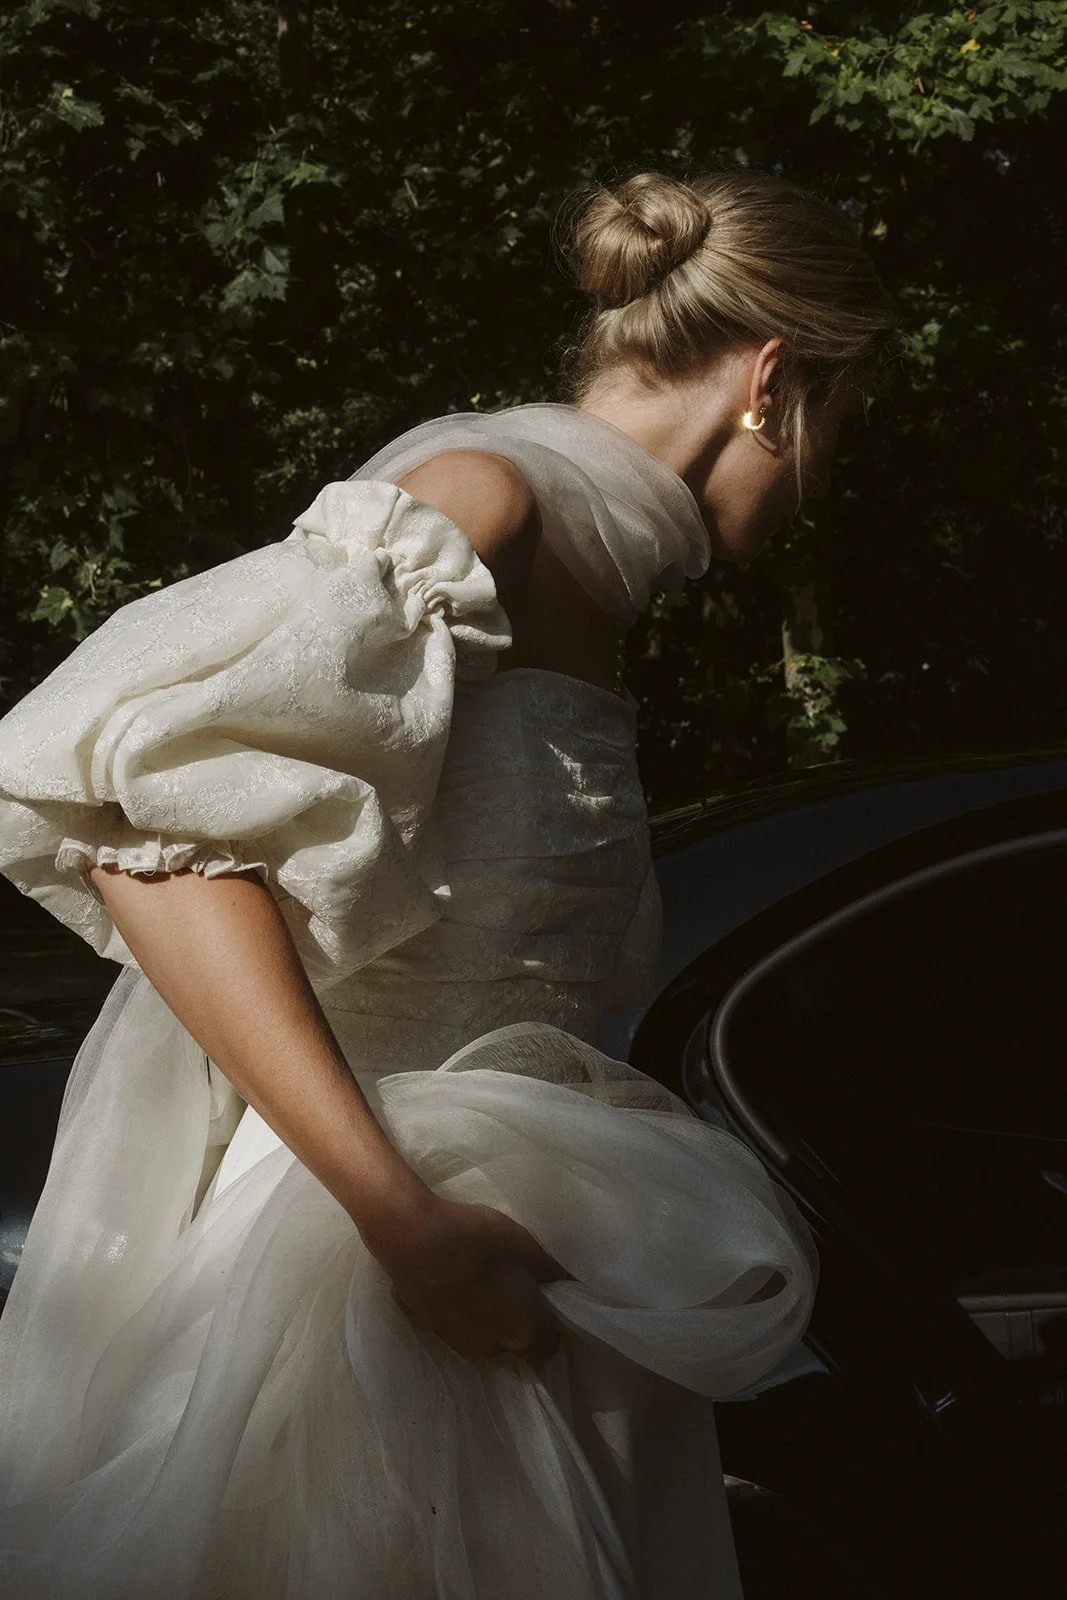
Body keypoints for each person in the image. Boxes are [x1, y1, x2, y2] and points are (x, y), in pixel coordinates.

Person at [0, 169, 894, 1598]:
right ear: (773, 380)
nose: (828, 476)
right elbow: (144, 834)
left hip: (496, 1283)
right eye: (844, 423)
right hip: (357, 1283)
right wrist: (401, 1223)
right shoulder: (482, 503)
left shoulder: (594, 574)